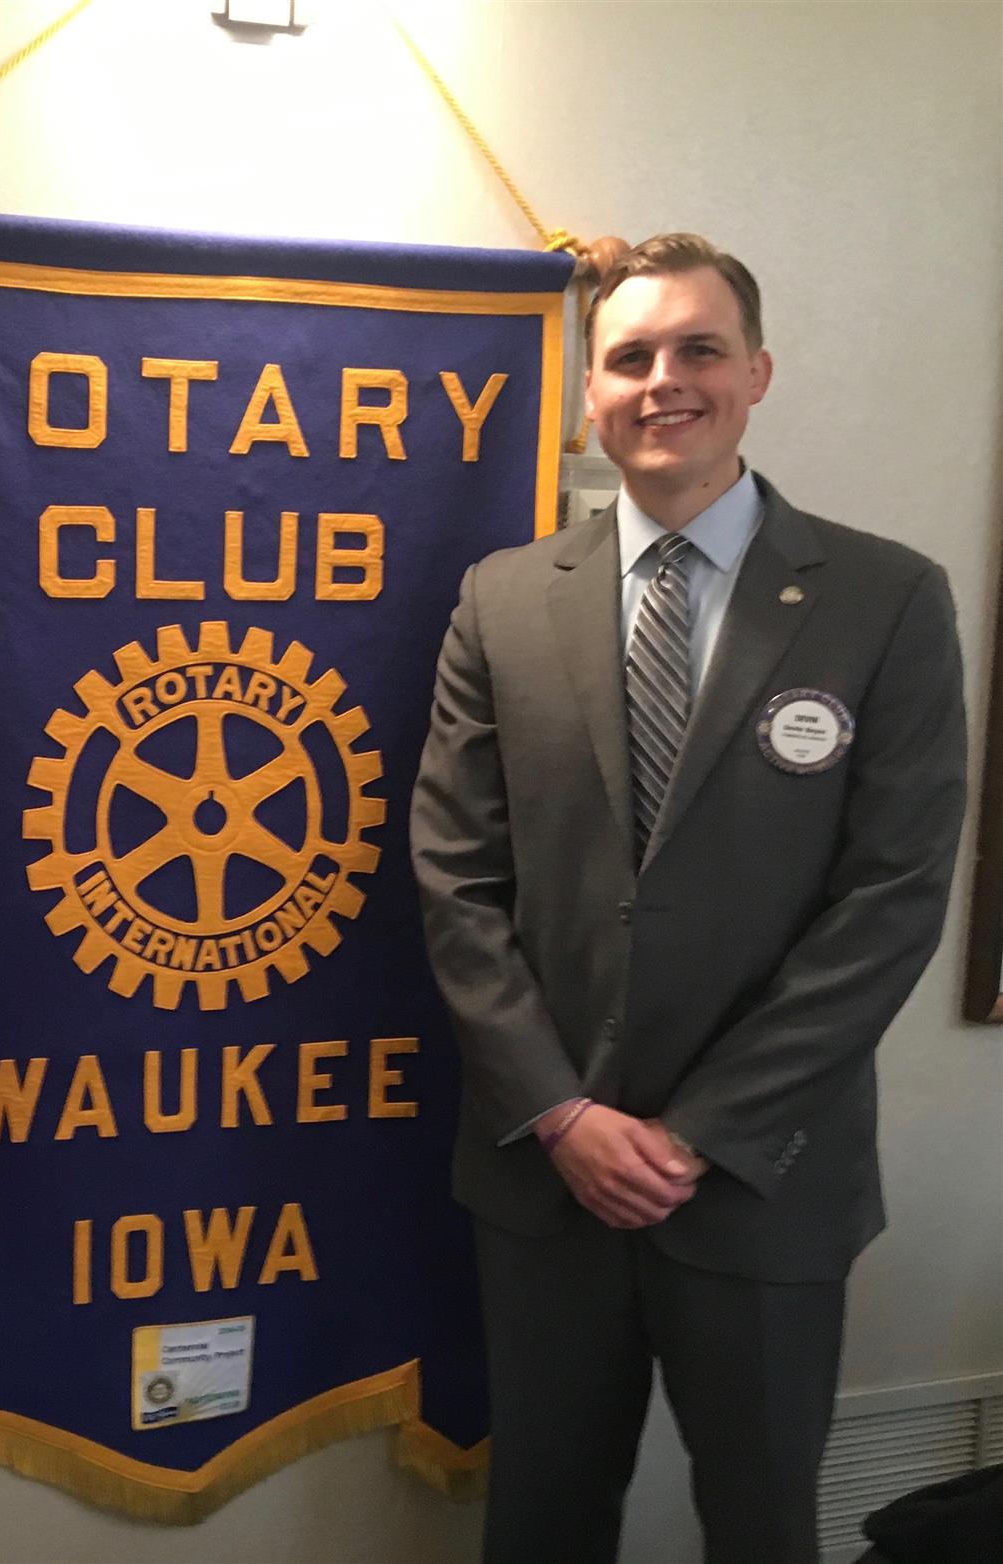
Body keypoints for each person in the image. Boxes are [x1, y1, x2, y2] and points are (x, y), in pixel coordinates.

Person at [410, 233, 966, 1564]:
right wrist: (562, 1113)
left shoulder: (886, 599)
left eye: (699, 349)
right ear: (588, 394)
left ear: (757, 372)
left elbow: (892, 897)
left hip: (768, 1177)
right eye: (631, 357)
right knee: (541, 1525)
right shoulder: (501, 602)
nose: (664, 381)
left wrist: (701, 1130)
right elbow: (455, 879)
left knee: (763, 1529)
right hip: (549, 1182)